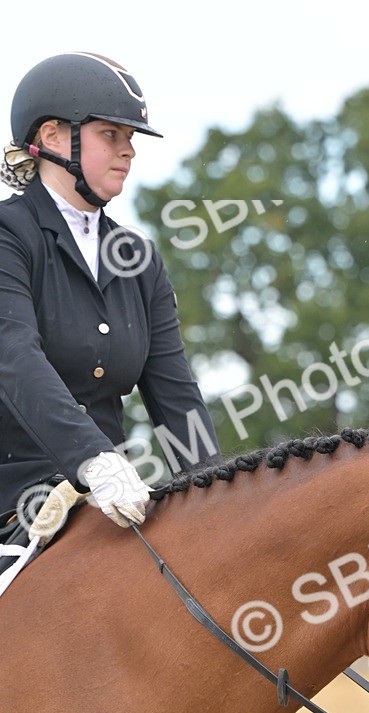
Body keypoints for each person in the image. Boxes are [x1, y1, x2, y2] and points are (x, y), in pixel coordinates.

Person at [0, 50, 220, 559]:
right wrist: (95, 460)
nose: (129, 151)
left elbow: (176, 396)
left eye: (130, 139)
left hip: (105, 504)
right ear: (53, 137)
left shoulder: (138, 260)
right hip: (13, 498)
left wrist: (218, 497)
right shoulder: (10, 234)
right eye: (110, 135)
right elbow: (13, 357)